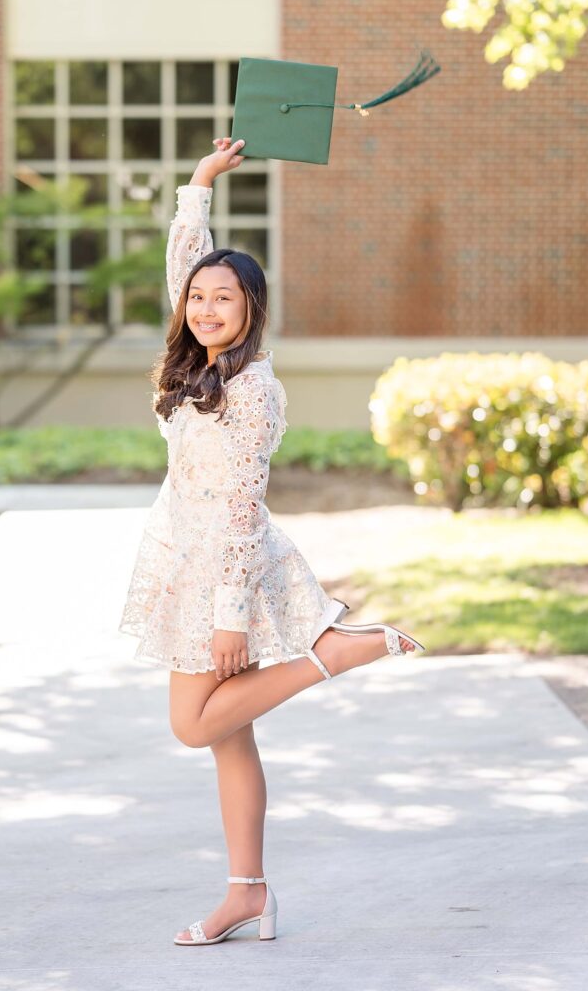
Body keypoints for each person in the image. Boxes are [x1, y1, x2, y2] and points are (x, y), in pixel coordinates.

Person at [118, 136, 425, 946]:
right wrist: (198, 183)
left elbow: (242, 509)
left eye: (225, 298)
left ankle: (335, 652)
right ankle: (246, 894)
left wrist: (227, 615)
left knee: (194, 725)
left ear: (253, 307)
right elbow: (182, 265)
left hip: (228, 570)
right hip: (188, 562)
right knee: (227, 737)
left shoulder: (252, 389)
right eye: (199, 299)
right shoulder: (196, 367)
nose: (207, 308)